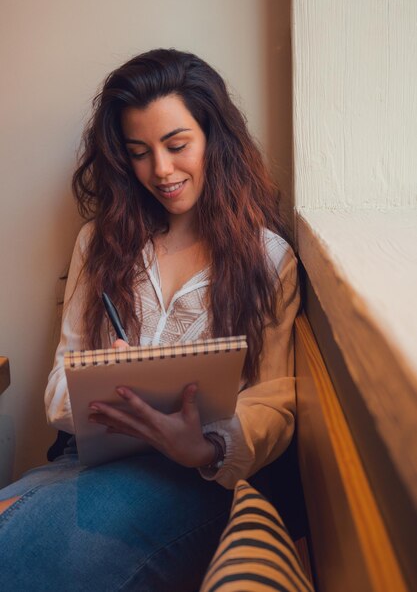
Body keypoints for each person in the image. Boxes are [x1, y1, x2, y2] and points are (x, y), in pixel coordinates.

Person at [0, 48, 300, 591]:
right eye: (140, 152)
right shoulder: (100, 242)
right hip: (84, 462)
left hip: (190, 480)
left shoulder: (268, 258)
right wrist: (106, 388)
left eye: (177, 145)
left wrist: (207, 446)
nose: (161, 170)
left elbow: (274, 402)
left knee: (28, 554)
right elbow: (57, 386)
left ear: (214, 139)